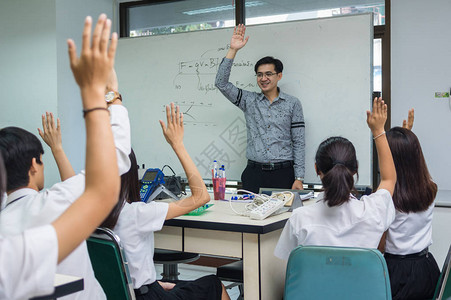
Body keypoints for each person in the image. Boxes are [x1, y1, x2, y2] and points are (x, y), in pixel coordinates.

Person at [0, 14, 127, 300]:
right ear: (34, 165)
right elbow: (111, 166)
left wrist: (56, 149)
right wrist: (108, 96)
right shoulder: (55, 201)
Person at [101, 103, 230, 300]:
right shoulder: (137, 213)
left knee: (179, 285)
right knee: (213, 284)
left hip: (121, 293)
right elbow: (201, 197)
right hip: (147, 296)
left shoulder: (91, 215)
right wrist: (177, 144)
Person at [274, 98, 397, 260]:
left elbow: (289, 267)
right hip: (359, 287)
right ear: (355, 169)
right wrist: (378, 131)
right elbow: (389, 179)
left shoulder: (299, 218)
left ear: (317, 169)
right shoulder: (373, 212)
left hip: (314, 287)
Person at [215, 24, 305, 193]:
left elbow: (299, 142)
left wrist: (299, 177)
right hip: (254, 174)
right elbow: (221, 83)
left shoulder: (293, 103)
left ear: (279, 76)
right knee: (250, 218)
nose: (263, 78)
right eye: (259, 74)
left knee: (283, 218)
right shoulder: (249, 100)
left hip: (284, 174)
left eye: (268, 74)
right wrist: (232, 50)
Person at [381, 108, 440, 300]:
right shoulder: (430, 189)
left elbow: (378, 246)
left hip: (395, 272)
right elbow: (411, 165)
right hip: (426, 267)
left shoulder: (386, 198)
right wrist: (408, 140)